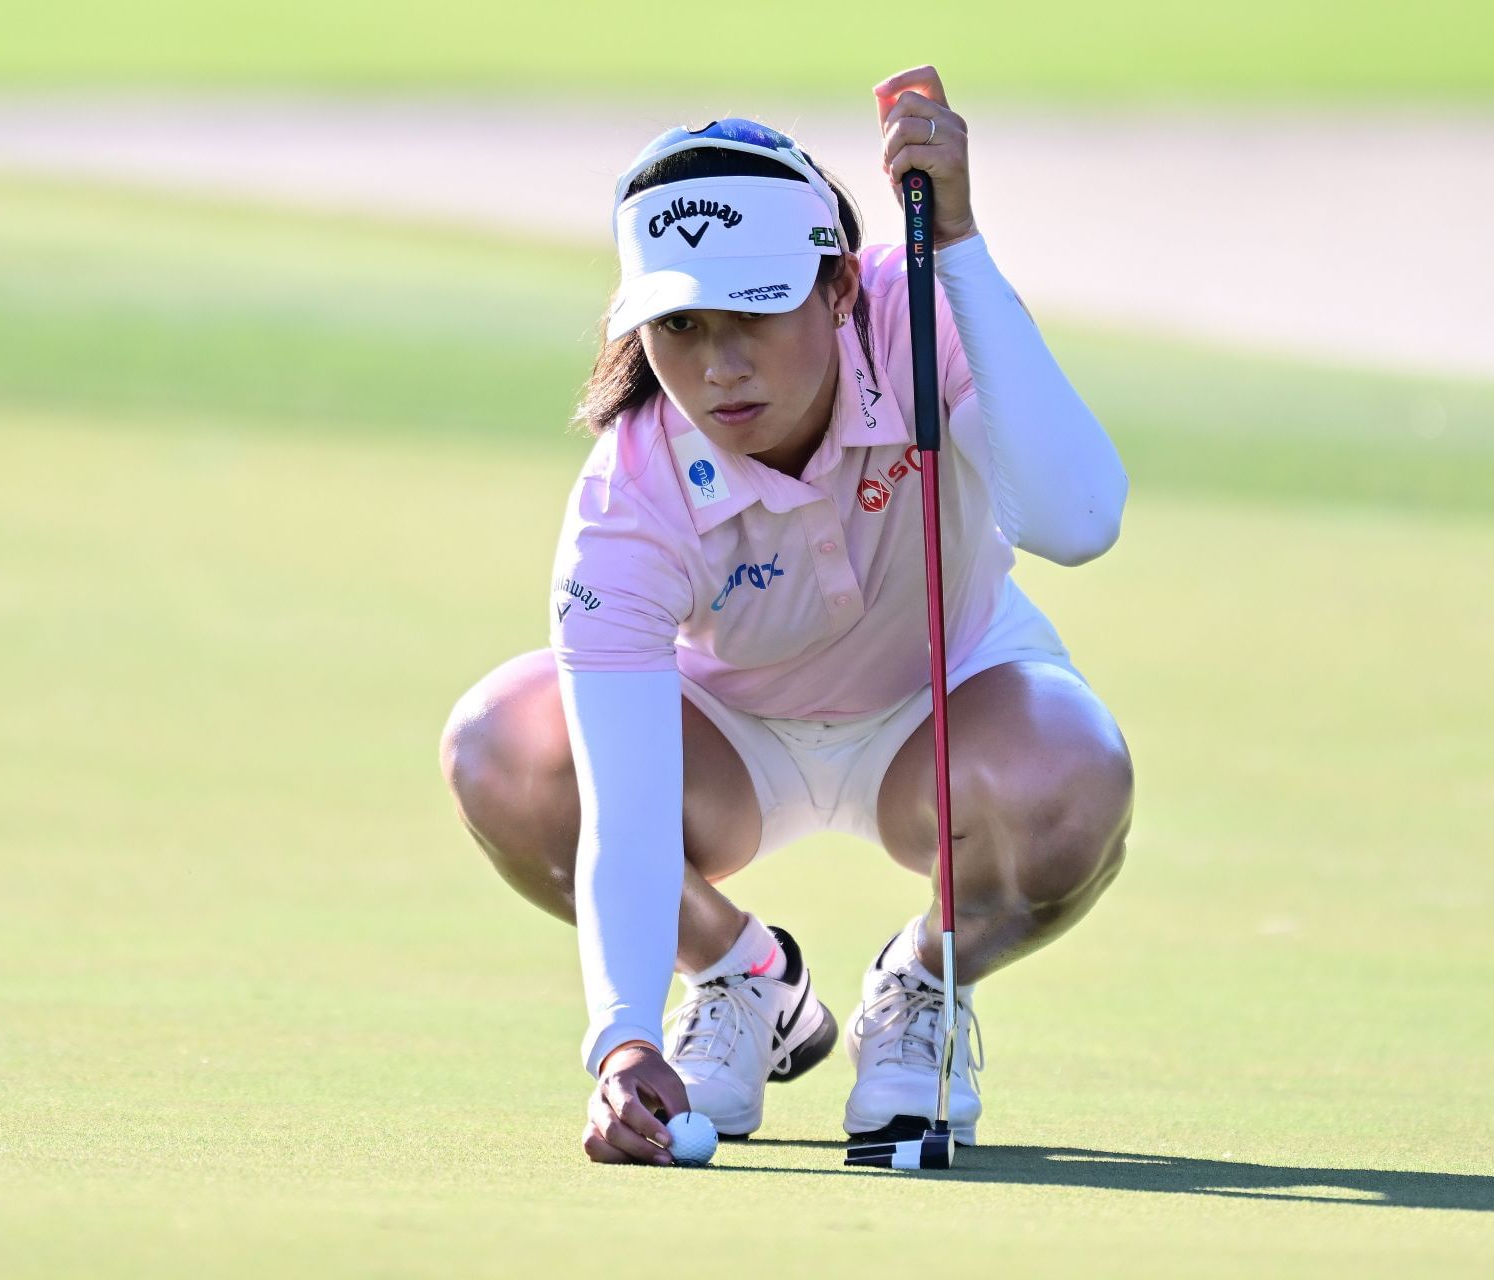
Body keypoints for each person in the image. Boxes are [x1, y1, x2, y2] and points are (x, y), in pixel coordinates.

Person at [439, 66, 1134, 1166]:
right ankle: (742, 976)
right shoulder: (631, 495)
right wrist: (618, 1039)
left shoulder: (919, 306)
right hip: (735, 739)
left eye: (757, 312)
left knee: (1075, 781)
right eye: (680, 325)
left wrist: (957, 248)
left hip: (944, 699)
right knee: (501, 749)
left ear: (838, 290)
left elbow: (1080, 515)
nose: (718, 367)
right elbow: (623, 807)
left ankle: (919, 982)